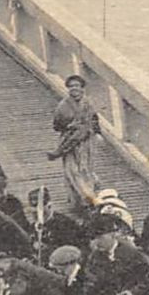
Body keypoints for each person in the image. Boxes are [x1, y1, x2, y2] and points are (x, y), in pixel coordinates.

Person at [48, 74, 102, 207]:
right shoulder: (63, 106)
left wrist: (97, 133)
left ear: (82, 88)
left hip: (86, 142)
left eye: (77, 86)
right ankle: (85, 197)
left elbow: (94, 120)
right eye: (71, 86)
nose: (74, 89)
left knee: (85, 168)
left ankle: (86, 197)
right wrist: (70, 127)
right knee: (72, 170)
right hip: (69, 141)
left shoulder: (88, 103)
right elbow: (56, 126)